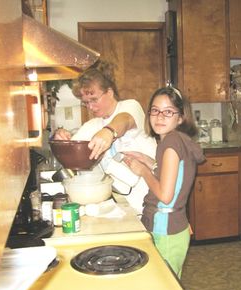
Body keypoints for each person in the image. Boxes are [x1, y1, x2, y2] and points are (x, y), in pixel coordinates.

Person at [53, 60, 157, 215]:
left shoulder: (130, 106)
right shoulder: (94, 124)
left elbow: (124, 120)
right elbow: (71, 148)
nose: (90, 107)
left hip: (151, 199)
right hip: (123, 204)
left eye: (94, 99)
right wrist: (59, 136)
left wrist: (109, 131)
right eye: (85, 103)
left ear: (109, 92)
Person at [123, 86, 205, 278]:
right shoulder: (179, 140)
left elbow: (166, 196)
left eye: (168, 112)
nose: (160, 117)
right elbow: (174, 174)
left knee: (164, 285)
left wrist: (142, 171)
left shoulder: (169, 145)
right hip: (175, 226)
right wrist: (148, 161)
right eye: (155, 110)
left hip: (165, 229)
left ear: (180, 117)